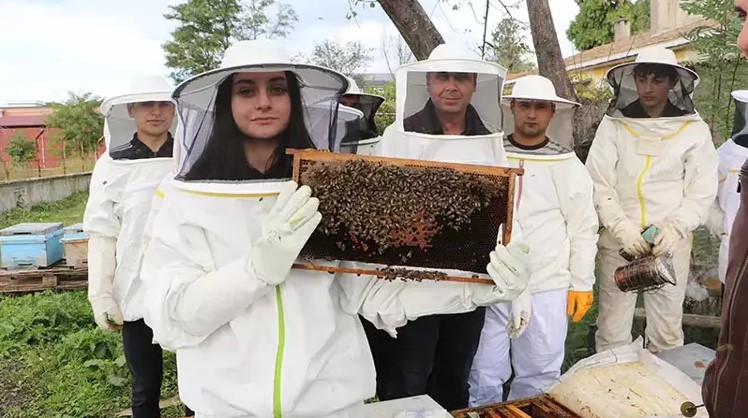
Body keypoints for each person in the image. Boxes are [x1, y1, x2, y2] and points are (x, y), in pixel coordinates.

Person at [138, 39, 530, 418]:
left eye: (277, 88)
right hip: (226, 409)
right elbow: (173, 320)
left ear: (294, 101)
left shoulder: (330, 187)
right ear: (226, 103)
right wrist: (256, 270)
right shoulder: (184, 199)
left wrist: (474, 288)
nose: (263, 101)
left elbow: (373, 296)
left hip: (333, 405)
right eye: (246, 90)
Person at [362, 43, 526, 411]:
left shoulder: (490, 140)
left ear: (474, 85)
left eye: (461, 78)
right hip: (411, 281)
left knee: (455, 375)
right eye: (442, 77)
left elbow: (506, 206)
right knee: (407, 375)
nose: (451, 86)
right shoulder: (398, 136)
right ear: (428, 83)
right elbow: (379, 207)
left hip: (469, 281)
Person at [468, 75, 598, 406]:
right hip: (491, 280)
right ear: (512, 107)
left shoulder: (568, 165)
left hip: (546, 284)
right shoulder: (490, 156)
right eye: (525, 105)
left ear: (552, 112)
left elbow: (583, 228)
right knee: (483, 370)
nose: (531, 114)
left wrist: (582, 282)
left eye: (540, 107)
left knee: (539, 373)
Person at [585, 46, 718, 354]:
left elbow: (701, 190)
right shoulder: (614, 124)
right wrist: (621, 227)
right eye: (642, 78)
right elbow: (598, 181)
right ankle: (610, 398)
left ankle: (663, 403)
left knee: (667, 335)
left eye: (657, 79)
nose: (647, 87)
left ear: (672, 82)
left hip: (669, 244)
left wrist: (675, 228)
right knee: (612, 331)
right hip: (620, 242)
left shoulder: (693, 130)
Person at [84, 76, 194, 418]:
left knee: (198, 377)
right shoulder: (111, 164)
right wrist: (100, 293)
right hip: (135, 287)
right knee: (145, 384)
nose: (156, 112)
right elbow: (102, 230)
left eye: (164, 104)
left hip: (188, 282)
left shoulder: (190, 156)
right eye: (147, 104)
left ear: (174, 111)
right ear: (132, 109)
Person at [702, 2, 748, 415]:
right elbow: (709, 200)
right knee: (731, 322)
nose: (742, 40)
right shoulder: (726, 152)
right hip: (730, 252)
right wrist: (724, 230)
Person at [706, 91, 748, 291]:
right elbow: (705, 197)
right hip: (732, 255)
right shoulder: (724, 156)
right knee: (734, 319)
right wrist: (722, 226)